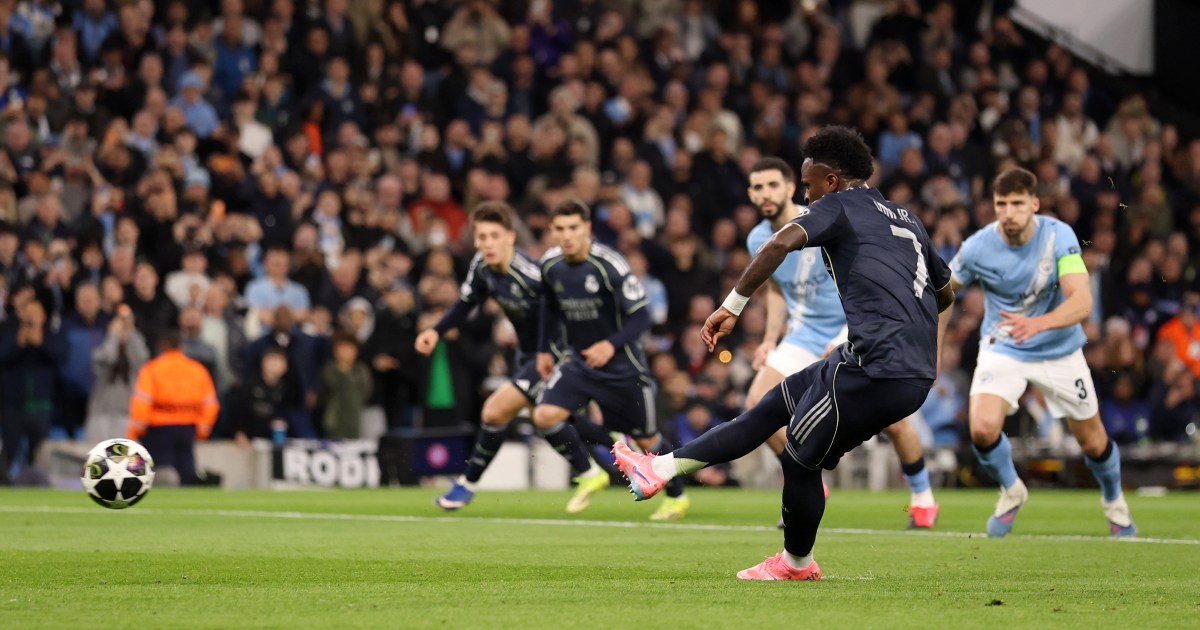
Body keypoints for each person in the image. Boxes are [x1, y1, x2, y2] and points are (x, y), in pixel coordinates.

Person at [613, 126, 955, 579]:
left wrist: (731, 307)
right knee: (768, 408)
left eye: (809, 185)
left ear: (832, 180)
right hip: (888, 360)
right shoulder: (905, 216)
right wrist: (916, 337)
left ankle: (796, 563)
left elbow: (779, 243)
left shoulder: (837, 205)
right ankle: (658, 469)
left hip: (877, 368)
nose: (806, 196)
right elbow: (946, 292)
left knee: (797, 456)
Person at [743, 156, 939, 529]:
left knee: (894, 421)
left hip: (852, 326)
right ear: (750, 194)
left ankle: (923, 497)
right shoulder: (757, 238)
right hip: (803, 334)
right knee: (756, 403)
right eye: (757, 187)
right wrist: (770, 339)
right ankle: (806, 482)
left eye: (772, 185)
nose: (765, 194)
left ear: (790, 188)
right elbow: (777, 291)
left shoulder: (826, 216)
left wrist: (844, 336)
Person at [948, 167, 1137, 537]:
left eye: (1017, 204)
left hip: (1058, 348)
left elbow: (1082, 302)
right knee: (982, 428)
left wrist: (1038, 324)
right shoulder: (977, 247)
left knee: (1093, 440)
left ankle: (1115, 502)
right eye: (1002, 204)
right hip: (1004, 344)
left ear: (1034, 204)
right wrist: (934, 346)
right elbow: (943, 291)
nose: (1009, 212)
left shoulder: (1058, 236)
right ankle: (1012, 490)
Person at [417, 202, 609, 512]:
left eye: (495, 236)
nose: (488, 244)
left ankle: (466, 485)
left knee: (494, 412)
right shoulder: (481, 266)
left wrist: (573, 352)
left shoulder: (530, 274)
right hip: (527, 354)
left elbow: (563, 309)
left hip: (553, 353)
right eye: (482, 237)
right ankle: (613, 453)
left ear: (510, 236)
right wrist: (436, 331)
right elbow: (465, 304)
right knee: (549, 419)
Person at [537, 200, 692, 522]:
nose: (567, 235)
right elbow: (549, 308)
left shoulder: (609, 264)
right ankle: (590, 472)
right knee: (545, 415)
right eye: (560, 229)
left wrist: (610, 344)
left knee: (648, 439)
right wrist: (542, 350)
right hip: (579, 362)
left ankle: (677, 497)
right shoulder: (550, 265)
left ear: (587, 228)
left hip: (623, 366)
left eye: (573, 228)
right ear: (552, 231)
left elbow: (641, 315)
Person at [127, 330, 220, 485]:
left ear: (162, 347)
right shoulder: (197, 369)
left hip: (159, 427)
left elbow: (142, 402)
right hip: (187, 426)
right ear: (181, 347)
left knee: (160, 470)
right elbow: (210, 403)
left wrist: (136, 430)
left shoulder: (152, 369)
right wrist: (203, 428)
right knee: (186, 470)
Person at [320, 331, 373, 439]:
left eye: (349, 348)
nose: (345, 352)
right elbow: (329, 386)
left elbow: (367, 391)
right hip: (334, 416)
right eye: (341, 348)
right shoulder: (330, 368)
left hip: (355, 415)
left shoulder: (361, 370)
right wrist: (342, 370)